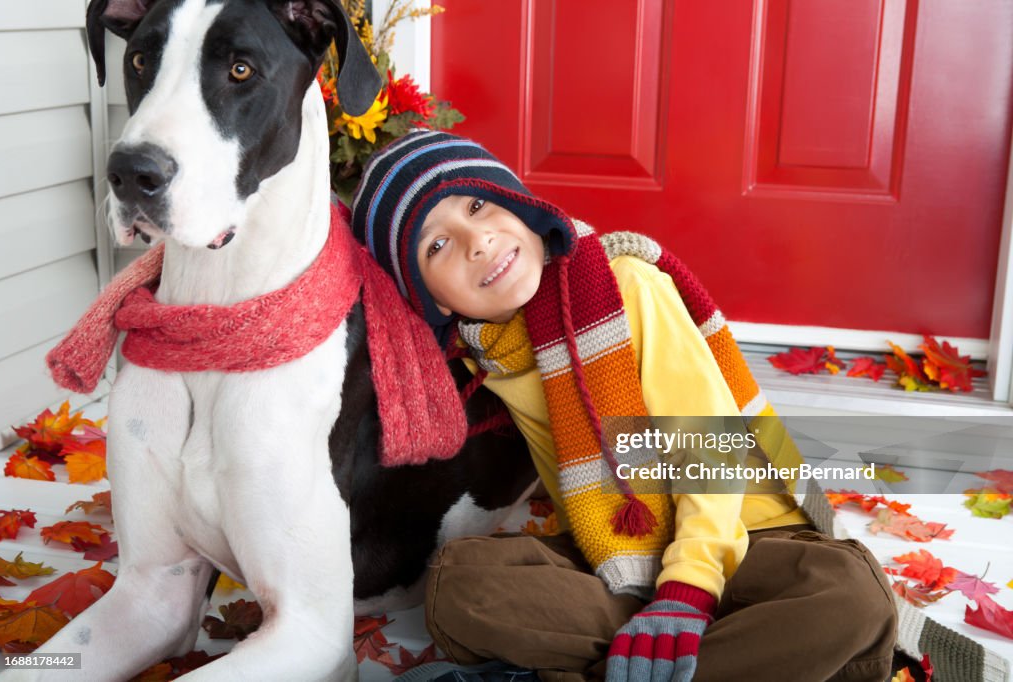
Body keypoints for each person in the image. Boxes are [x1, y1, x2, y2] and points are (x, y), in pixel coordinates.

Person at [350, 130, 897, 682]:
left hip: (746, 537)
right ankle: (716, 656)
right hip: (619, 558)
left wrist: (686, 590)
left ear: (519, 203)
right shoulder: (483, 356)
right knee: (458, 586)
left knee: (853, 596)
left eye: (477, 205)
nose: (477, 241)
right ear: (433, 298)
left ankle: (638, 656)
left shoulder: (626, 286)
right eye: (435, 245)